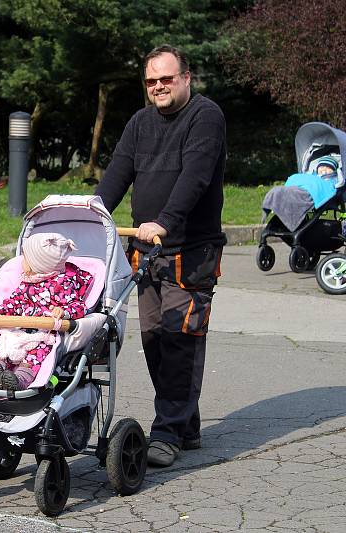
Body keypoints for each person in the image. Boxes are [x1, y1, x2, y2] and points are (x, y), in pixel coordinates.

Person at [94, 45, 227, 467]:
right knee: (154, 339)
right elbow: (118, 173)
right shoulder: (140, 122)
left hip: (191, 250)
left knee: (179, 338)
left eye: (166, 79)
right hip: (146, 252)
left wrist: (165, 221)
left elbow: (196, 175)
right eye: (151, 81)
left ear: (187, 78)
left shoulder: (205, 117)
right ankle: (184, 422)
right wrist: (87, 216)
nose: (158, 87)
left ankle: (167, 431)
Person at [0, 233, 94, 391]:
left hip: (44, 332)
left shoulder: (63, 284)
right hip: (20, 327)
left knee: (37, 353)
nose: (22, 262)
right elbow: (14, 301)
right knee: (3, 344)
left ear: (38, 264)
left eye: (25, 259)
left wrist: (63, 312)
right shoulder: (27, 282)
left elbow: (79, 305)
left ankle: (21, 377)